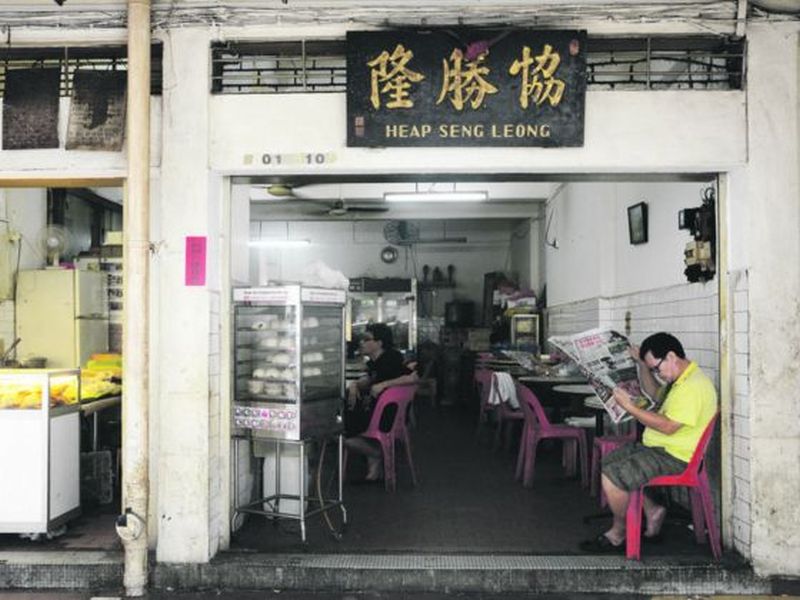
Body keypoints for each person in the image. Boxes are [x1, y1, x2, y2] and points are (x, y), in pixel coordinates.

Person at [580, 332, 717, 552]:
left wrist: (630, 407)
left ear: (671, 356)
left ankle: (619, 532)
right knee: (609, 462)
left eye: (656, 368)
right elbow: (654, 393)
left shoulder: (693, 387)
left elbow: (668, 426)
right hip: (659, 449)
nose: (658, 374)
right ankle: (652, 511)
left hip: (675, 456)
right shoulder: (679, 379)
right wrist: (642, 366)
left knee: (614, 476)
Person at [344, 323, 418, 482]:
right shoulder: (376, 362)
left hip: (386, 416)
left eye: (366, 339)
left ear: (379, 343)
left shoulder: (391, 359)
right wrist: (355, 384)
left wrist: (383, 385)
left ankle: (375, 453)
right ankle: (373, 461)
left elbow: (413, 377)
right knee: (344, 417)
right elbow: (372, 378)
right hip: (377, 411)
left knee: (338, 428)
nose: (361, 342)